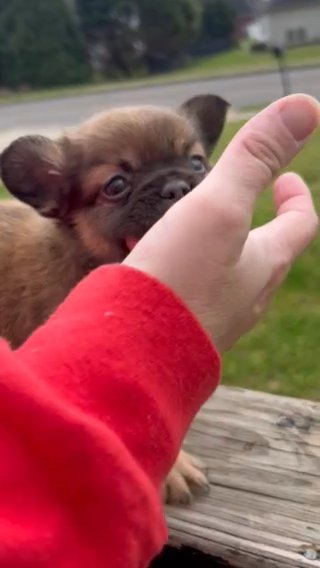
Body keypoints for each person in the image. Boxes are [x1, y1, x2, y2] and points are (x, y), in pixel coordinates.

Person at [0, 94, 318, 568]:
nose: (175, 189)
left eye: (194, 162)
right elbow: (67, 385)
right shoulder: (52, 283)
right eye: (118, 185)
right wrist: (151, 439)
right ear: (57, 201)